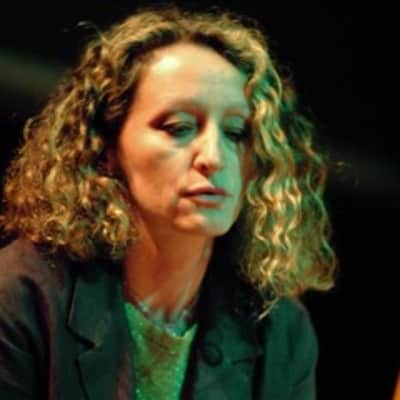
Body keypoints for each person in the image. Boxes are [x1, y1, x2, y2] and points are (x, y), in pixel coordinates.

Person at [0, 4, 337, 399]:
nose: (213, 157)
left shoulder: (281, 332)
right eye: (179, 127)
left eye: (235, 132)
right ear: (106, 149)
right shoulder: (21, 295)